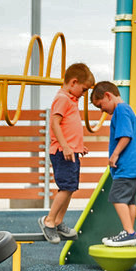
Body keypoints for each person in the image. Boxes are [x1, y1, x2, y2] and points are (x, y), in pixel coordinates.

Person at [38, 63, 95, 244]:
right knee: (65, 188)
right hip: (62, 152)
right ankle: (48, 221)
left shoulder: (71, 99)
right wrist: (66, 146)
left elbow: (70, 128)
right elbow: (55, 123)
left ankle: (58, 221)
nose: (84, 94)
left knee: (70, 188)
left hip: (70, 152)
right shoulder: (62, 98)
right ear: (73, 82)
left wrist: (78, 146)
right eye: (84, 89)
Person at [90, 81, 136, 246]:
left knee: (117, 197)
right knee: (129, 201)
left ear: (108, 96)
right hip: (134, 165)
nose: (102, 110)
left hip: (127, 165)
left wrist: (115, 154)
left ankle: (129, 233)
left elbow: (126, 135)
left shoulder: (121, 110)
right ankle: (130, 232)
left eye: (100, 105)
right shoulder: (127, 109)